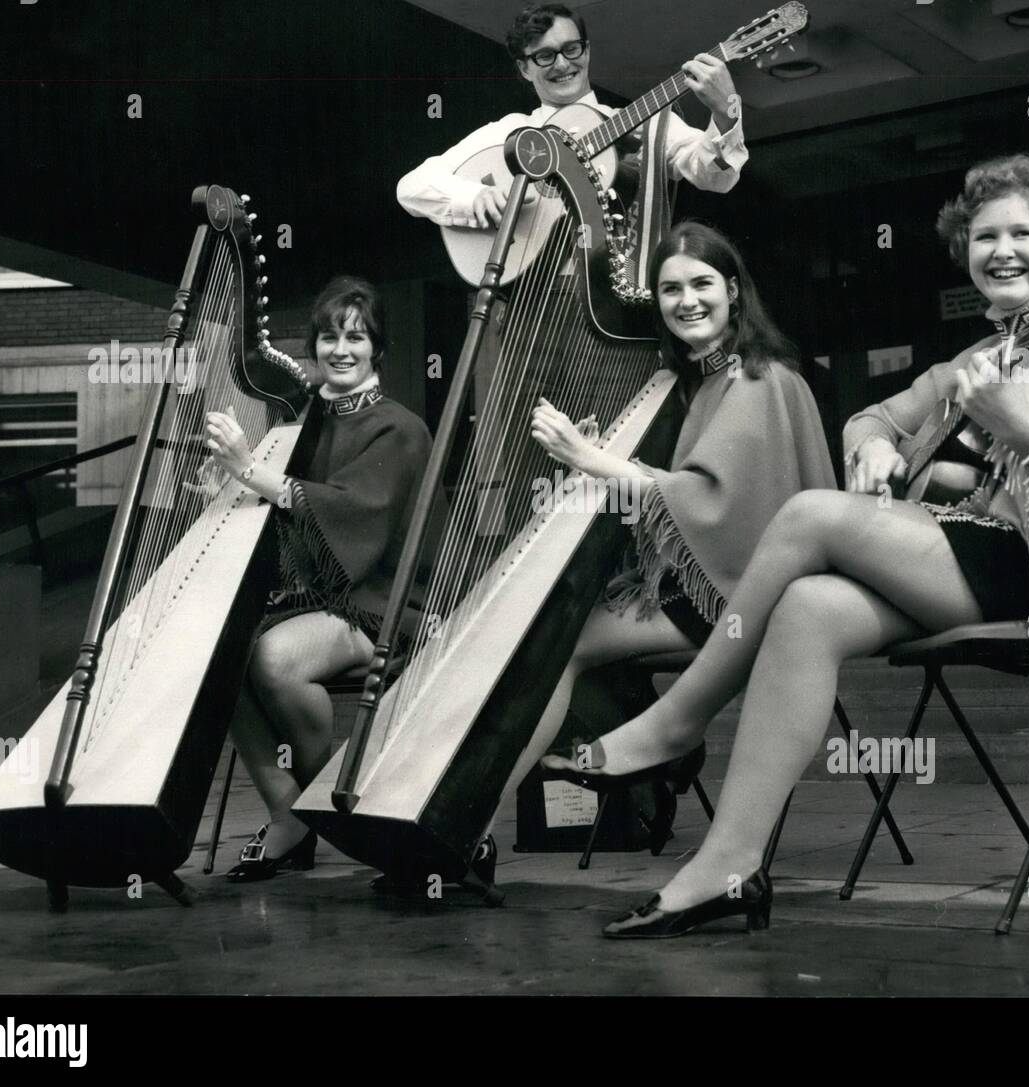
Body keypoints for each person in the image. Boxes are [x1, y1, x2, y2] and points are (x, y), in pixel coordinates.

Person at [545, 153, 1029, 937]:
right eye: (984, 237)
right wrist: (875, 445)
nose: (1001, 250)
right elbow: (875, 416)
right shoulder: (976, 359)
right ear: (964, 253)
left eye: (1021, 233)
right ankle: (726, 869)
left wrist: (1018, 430)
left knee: (810, 515)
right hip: (957, 558)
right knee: (809, 607)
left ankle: (678, 719)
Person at [517, 221, 835, 821]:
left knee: (555, 640)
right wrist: (605, 463)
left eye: (701, 283)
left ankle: (649, 749)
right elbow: (674, 497)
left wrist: (592, 459)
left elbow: (708, 504)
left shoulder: (756, 379)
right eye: (670, 290)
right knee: (555, 622)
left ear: (734, 291)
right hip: (701, 581)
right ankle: (656, 745)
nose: (686, 301)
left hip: (736, 593)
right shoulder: (700, 378)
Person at [207, 276, 433, 881]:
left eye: (355, 338)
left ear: (377, 350)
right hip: (317, 597)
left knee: (275, 661)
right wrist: (229, 483)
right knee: (214, 655)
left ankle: (317, 804)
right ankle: (291, 812)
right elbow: (286, 507)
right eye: (329, 336)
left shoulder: (400, 427)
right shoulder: (309, 422)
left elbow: (350, 512)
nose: (340, 349)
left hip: (385, 600)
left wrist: (249, 470)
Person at [396, 3, 747, 231]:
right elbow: (411, 186)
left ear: (587, 49)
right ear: (523, 68)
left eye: (571, 49)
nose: (563, 64)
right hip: (530, 303)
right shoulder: (511, 132)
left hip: (623, 301)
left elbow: (715, 179)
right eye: (545, 56)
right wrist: (472, 198)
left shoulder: (646, 124)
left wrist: (726, 109)